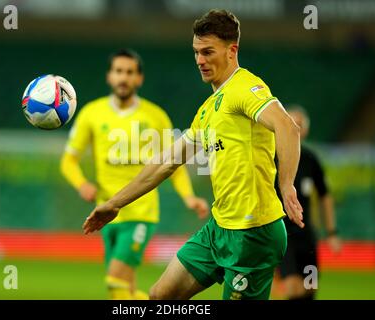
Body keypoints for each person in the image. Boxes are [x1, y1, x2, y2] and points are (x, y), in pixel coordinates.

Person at [82, 10, 304, 300]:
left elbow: (288, 127)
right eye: (196, 52)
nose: (200, 60)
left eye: (208, 51)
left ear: (231, 51)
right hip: (219, 227)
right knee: (160, 296)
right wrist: (114, 204)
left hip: (253, 232)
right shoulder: (208, 109)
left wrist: (286, 184)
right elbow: (166, 162)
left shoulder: (245, 88)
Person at [60, 49, 209, 300]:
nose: (123, 78)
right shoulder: (91, 113)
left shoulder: (155, 116)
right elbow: (68, 160)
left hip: (141, 211)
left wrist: (188, 197)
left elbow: (174, 163)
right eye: (118, 71)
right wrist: (81, 183)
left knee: (115, 281)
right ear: (109, 76)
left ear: (139, 79)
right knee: (125, 290)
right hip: (106, 213)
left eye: (129, 72)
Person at [275, 106, 341, 300]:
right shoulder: (272, 157)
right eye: (291, 122)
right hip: (283, 235)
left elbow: (325, 195)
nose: (295, 127)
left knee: (310, 287)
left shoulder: (311, 159)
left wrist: (331, 232)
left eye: (300, 124)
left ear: (305, 130)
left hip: (306, 235)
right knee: (291, 288)